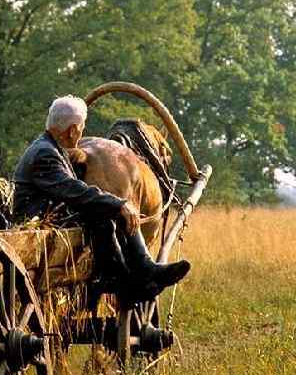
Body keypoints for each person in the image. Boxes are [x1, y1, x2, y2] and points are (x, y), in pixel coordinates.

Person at [12, 95, 190, 299]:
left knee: (104, 211)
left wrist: (113, 204)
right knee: (106, 211)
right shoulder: (45, 153)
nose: (82, 133)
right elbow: (72, 189)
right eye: (82, 128)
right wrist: (119, 204)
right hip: (36, 216)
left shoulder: (50, 147)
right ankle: (125, 276)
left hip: (46, 210)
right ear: (72, 130)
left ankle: (140, 268)